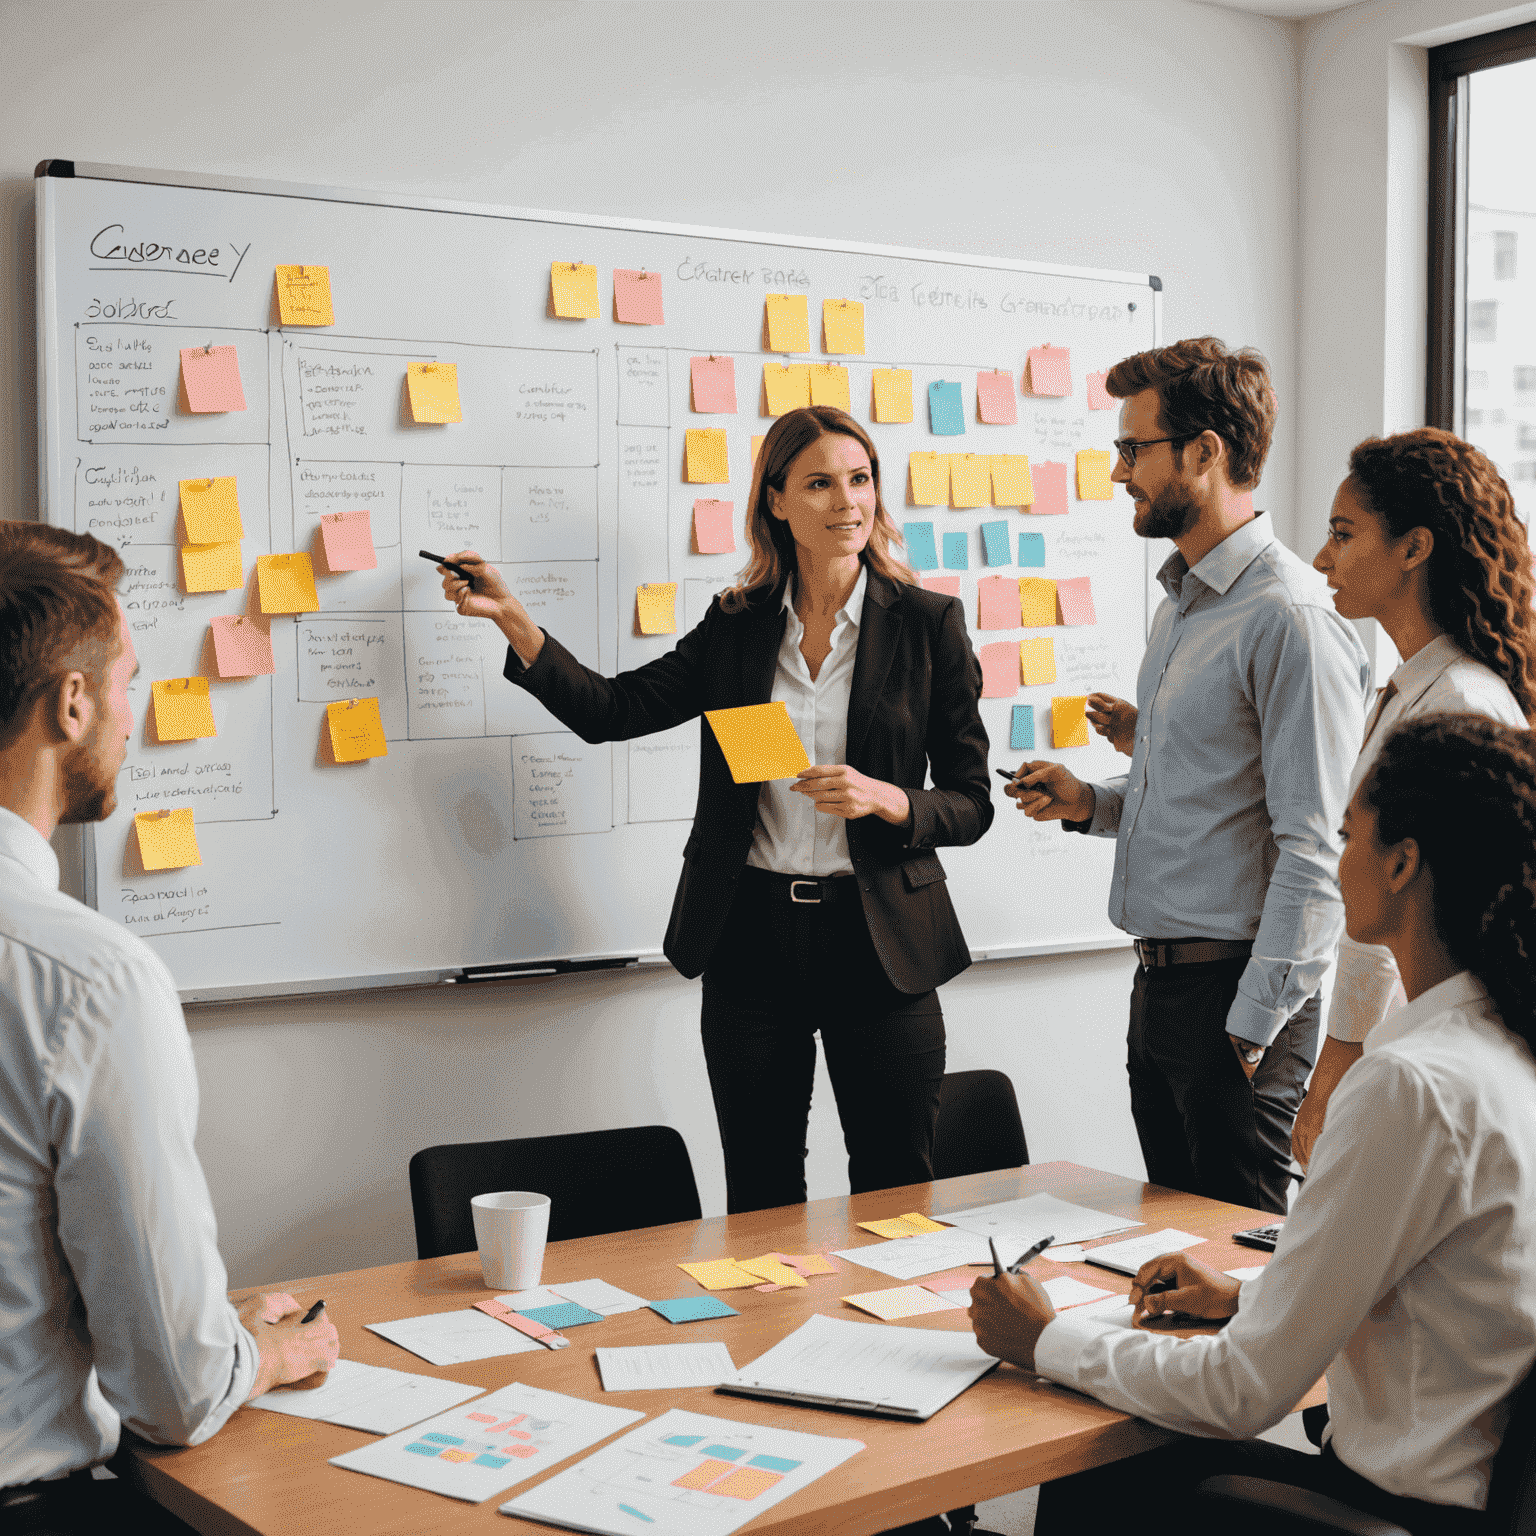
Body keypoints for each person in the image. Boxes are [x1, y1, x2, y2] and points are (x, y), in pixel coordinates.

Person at [970, 714, 1536, 1534]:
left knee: (1095, 1469)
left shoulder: (1409, 1086)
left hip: (1396, 1512)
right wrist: (1245, 1295)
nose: (1331, 863)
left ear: (1403, 863)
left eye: (1347, 837)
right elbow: (1432, 1273)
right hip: (1478, 1498)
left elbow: (1239, 1393)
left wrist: (1044, 1340)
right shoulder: (1499, 1046)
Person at [437, 405, 992, 1214]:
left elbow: (972, 804)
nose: (848, 502)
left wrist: (888, 798)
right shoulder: (737, 628)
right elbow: (613, 711)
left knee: (894, 1189)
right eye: (820, 483)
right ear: (776, 502)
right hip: (752, 941)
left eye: (860, 479)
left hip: (880, 947)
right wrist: (514, 620)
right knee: (762, 1191)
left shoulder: (928, 625)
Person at [0, 523, 338, 1534]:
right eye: (129, 680)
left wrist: (203, 1337)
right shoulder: (88, 978)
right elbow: (174, 1395)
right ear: (71, 701)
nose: (133, 716)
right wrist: (261, 1354)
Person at [1006, 338, 1369, 1214]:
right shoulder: (1180, 608)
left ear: (1206, 452)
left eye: (1135, 449)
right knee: (1168, 1253)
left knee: (1241, 1278)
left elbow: (1314, 848)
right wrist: (1092, 802)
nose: (1119, 471)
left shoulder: (1288, 618)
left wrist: (1250, 1032)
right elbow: (1208, 796)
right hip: (1162, 990)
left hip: (1236, 997)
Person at [1287, 429, 1534, 1166]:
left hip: (1429, 1054)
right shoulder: (1410, 687)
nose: (1323, 559)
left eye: (1343, 534)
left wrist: (1337, 1063)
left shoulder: (1460, 700)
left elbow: (1415, 908)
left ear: (1414, 547)